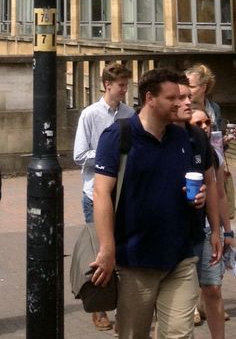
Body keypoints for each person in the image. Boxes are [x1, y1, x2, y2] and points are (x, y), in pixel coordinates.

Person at [91, 67, 203, 339]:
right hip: (135, 261)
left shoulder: (181, 137)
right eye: (172, 98)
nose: (180, 103)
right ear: (150, 98)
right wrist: (107, 250)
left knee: (179, 333)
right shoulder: (119, 136)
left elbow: (185, 185)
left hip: (180, 257)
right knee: (133, 334)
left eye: (181, 97)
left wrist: (197, 199)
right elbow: (101, 193)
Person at [74, 61, 134, 331]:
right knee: (99, 249)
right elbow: (78, 155)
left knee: (121, 247)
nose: (124, 90)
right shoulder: (90, 114)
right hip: (94, 192)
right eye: (121, 85)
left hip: (123, 192)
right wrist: (107, 155)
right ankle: (98, 308)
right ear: (108, 85)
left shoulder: (130, 114)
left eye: (126, 85)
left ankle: (124, 305)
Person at [175, 76, 222, 328]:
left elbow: (216, 190)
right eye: (178, 98)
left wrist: (221, 231)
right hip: (168, 235)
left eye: (208, 122)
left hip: (200, 230)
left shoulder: (202, 141)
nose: (185, 102)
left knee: (212, 289)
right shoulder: (161, 138)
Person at [190, 105, 233, 338]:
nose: (205, 127)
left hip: (210, 231)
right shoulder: (182, 150)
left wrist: (227, 232)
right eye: (198, 124)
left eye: (207, 123)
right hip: (187, 230)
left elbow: (220, 195)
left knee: (213, 288)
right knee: (181, 293)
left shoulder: (214, 154)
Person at [186, 64, 222, 130]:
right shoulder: (183, 108)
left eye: (191, 87)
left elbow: (216, 135)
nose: (187, 90)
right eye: (185, 86)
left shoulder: (214, 108)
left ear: (203, 87)